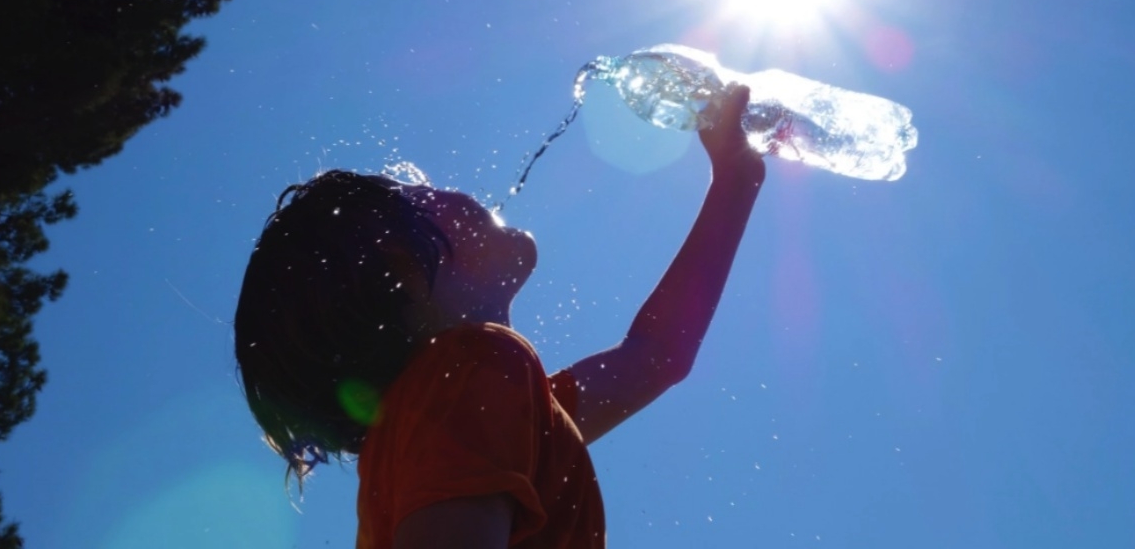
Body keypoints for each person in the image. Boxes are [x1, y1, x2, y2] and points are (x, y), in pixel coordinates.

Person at [234, 85, 765, 548]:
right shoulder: (468, 373)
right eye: (422, 195)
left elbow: (655, 356)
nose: (451, 190)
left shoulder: (469, 412)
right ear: (403, 268)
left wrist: (735, 180)